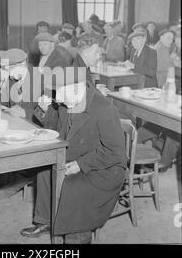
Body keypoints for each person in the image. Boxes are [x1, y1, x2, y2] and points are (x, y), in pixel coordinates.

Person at [21, 64, 126, 243]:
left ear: (77, 87)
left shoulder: (103, 109)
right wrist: (43, 110)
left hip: (102, 169)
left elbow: (114, 152)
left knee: (72, 188)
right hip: (75, 155)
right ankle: (46, 221)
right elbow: (54, 128)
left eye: (60, 92)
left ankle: (77, 238)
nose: (58, 99)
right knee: (44, 172)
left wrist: (80, 165)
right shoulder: (68, 99)